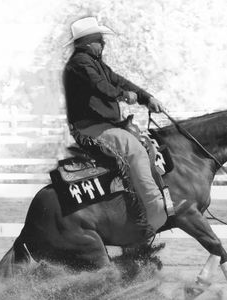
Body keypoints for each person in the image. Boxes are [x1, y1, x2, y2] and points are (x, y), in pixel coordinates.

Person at [63, 16, 167, 235]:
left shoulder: (94, 63)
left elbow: (119, 80)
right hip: (89, 128)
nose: (104, 43)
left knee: (144, 143)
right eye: (100, 40)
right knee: (135, 150)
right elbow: (102, 86)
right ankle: (156, 209)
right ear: (88, 41)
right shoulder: (80, 63)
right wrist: (123, 96)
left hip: (100, 125)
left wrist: (145, 97)